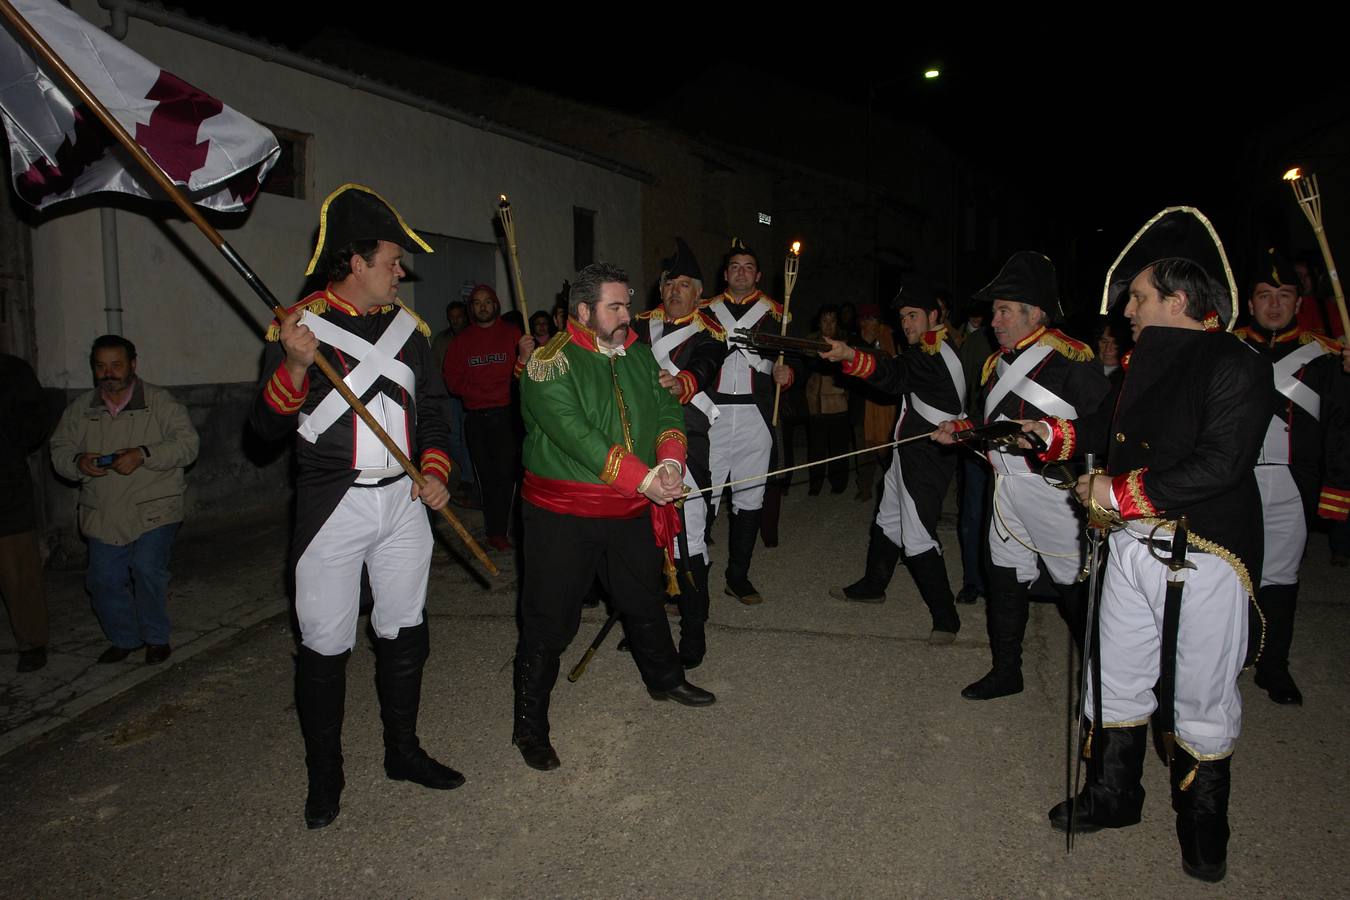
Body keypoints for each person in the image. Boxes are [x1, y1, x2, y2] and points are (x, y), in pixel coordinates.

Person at [1037, 207, 1271, 883]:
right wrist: (1037, 439)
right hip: (1130, 550)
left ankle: (1204, 831)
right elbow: (1098, 432)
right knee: (1114, 676)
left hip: (1202, 558)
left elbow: (1219, 465)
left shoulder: (1235, 362)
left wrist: (1115, 494)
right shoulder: (1143, 364)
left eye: (1137, 299)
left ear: (1178, 297)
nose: (1125, 313)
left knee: (1199, 697)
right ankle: (1115, 796)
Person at [250, 184, 463, 830]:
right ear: (354, 262)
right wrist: (292, 368)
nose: (402, 272)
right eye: (392, 261)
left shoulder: (411, 333)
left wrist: (434, 471)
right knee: (325, 642)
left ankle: (402, 751)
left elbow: (432, 414)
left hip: (402, 504)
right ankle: (326, 775)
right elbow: (260, 433)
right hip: (331, 507)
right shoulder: (298, 329)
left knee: (404, 628)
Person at [513, 262, 715, 772]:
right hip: (564, 515)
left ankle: (664, 678)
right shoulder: (548, 363)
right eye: (616, 307)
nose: (628, 315)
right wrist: (646, 480)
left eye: (627, 304)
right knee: (550, 621)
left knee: (643, 597)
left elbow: (668, 411)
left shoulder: (640, 357)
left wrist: (669, 463)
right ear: (583, 311)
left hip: (626, 508)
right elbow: (577, 436)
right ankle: (529, 725)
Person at [934, 252, 1111, 700]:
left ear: (1035, 313)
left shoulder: (1070, 360)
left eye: (1004, 310)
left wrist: (1053, 434)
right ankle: (1006, 671)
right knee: (1005, 577)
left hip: (1054, 490)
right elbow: (988, 418)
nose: (994, 319)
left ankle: (1105, 684)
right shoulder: (997, 364)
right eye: (995, 310)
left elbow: (1107, 425)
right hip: (1006, 487)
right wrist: (962, 429)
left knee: (1077, 587)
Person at [1233, 248, 1349, 705]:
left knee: (1279, 578)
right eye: (1265, 295)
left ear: (1299, 303)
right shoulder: (1228, 347)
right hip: (1233, 481)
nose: (1275, 305)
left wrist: (1337, 489)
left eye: (1284, 295)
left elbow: (1341, 426)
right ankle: (1231, 654)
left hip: (1289, 484)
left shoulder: (1324, 357)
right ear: (1250, 303)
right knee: (1230, 572)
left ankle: (1273, 666)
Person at [823, 276, 964, 643]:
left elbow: (893, 374)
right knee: (887, 518)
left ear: (935, 315)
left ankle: (946, 617)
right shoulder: (937, 349)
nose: (906, 324)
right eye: (903, 317)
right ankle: (873, 585)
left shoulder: (932, 356)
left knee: (917, 536)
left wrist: (850, 356)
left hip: (926, 458)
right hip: (910, 451)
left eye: (914, 316)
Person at [50, 335, 199, 666]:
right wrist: (78, 463)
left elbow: (188, 445)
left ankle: (156, 637)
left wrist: (144, 454)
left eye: (116, 365)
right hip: (104, 508)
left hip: (154, 505)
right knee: (102, 579)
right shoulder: (82, 409)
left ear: (132, 364)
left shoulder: (160, 403)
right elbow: (59, 449)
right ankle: (125, 638)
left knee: (147, 569)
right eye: (101, 366)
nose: (109, 373)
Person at [634, 238, 728, 668]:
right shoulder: (635, 329)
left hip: (689, 443)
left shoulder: (710, 334)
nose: (675, 291)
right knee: (639, 541)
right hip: (636, 446)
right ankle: (646, 625)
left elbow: (705, 366)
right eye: (670, 283)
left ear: (699, 294)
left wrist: (683, 382)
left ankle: (694, 628)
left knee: (687, 540)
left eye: (684, 285)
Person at [703, 239, 796, 604]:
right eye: (735, 266)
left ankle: (737, 576)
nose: (741, 272)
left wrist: (784, 373)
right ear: (725, 274)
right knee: (702, 496)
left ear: (757, 274)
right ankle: (694, 570)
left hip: (755, 416)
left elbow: (788, 360)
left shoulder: (777, 312)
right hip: (712, 414)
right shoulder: (705, 312)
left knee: (750, 498)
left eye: (748, 267)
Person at [443, 284, 533, 551]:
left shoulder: (513, 334)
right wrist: (481, 391)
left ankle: (516, 527)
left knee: (511, 475)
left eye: (488, 302)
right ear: (472, 309)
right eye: (477, 303)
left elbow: (525, 374)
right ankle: (495, 531)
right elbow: (452, 381)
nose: (483, 306)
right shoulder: (461, 341)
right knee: (487, 477)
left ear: (496, 305)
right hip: (477, 419)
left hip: (507, 416)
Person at [2, 354, 54, 672]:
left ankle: (32, 642)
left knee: (18, 572)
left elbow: (35, 426)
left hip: (5, 487)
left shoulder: (11, 371)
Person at [954, 299, 993, 606]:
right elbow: (964, 386)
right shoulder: (977, 342)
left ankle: (1004, 580)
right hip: (979, 436)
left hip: (1014, 443)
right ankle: (973, 580)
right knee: (973, 513)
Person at [431, 300, 475, 506]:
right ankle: (467, 473)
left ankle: (468, 479)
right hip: (448, 396)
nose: (456, 320)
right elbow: (435, 368)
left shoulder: (473, 336)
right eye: (453, 316)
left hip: (469, 394)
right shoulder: (441, 340)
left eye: (459, 316)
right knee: (453, 438)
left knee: (468, 439)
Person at [804, 305, 851, 495]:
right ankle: (815, 484)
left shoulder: (845, 342)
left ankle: (838, 483)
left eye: (832, 320)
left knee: (838, 447)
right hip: (814, 401)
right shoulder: (809, 340)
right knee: (816, 447)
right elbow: (808, 364)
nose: (829, 324)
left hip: (838, 401)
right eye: (825, 320)